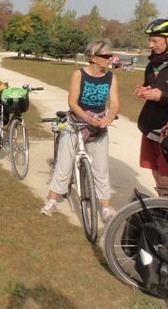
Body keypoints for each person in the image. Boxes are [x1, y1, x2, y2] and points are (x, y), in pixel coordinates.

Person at [41, 39, 120, 222]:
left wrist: (109, 117)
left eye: (111, 55)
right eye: (106, 55)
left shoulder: (111, 77)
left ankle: (106, 208)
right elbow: (72, 102)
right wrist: (87, 118)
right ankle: (52, 201)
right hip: (75, 123)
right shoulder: (79, 74)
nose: (110, 58)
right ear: (93, 57)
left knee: (101, 169)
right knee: (64, 164)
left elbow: (115, 104)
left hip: (98, 127)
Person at [135, 18, 168, 195]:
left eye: (155, 40)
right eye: (150, 40)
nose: (150, 45)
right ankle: (164, 214)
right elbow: (153, 85)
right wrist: (146, 90)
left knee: (166, 179)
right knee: (157, 176)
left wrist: (162, 97)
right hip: (151, 126)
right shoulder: (153, 62)